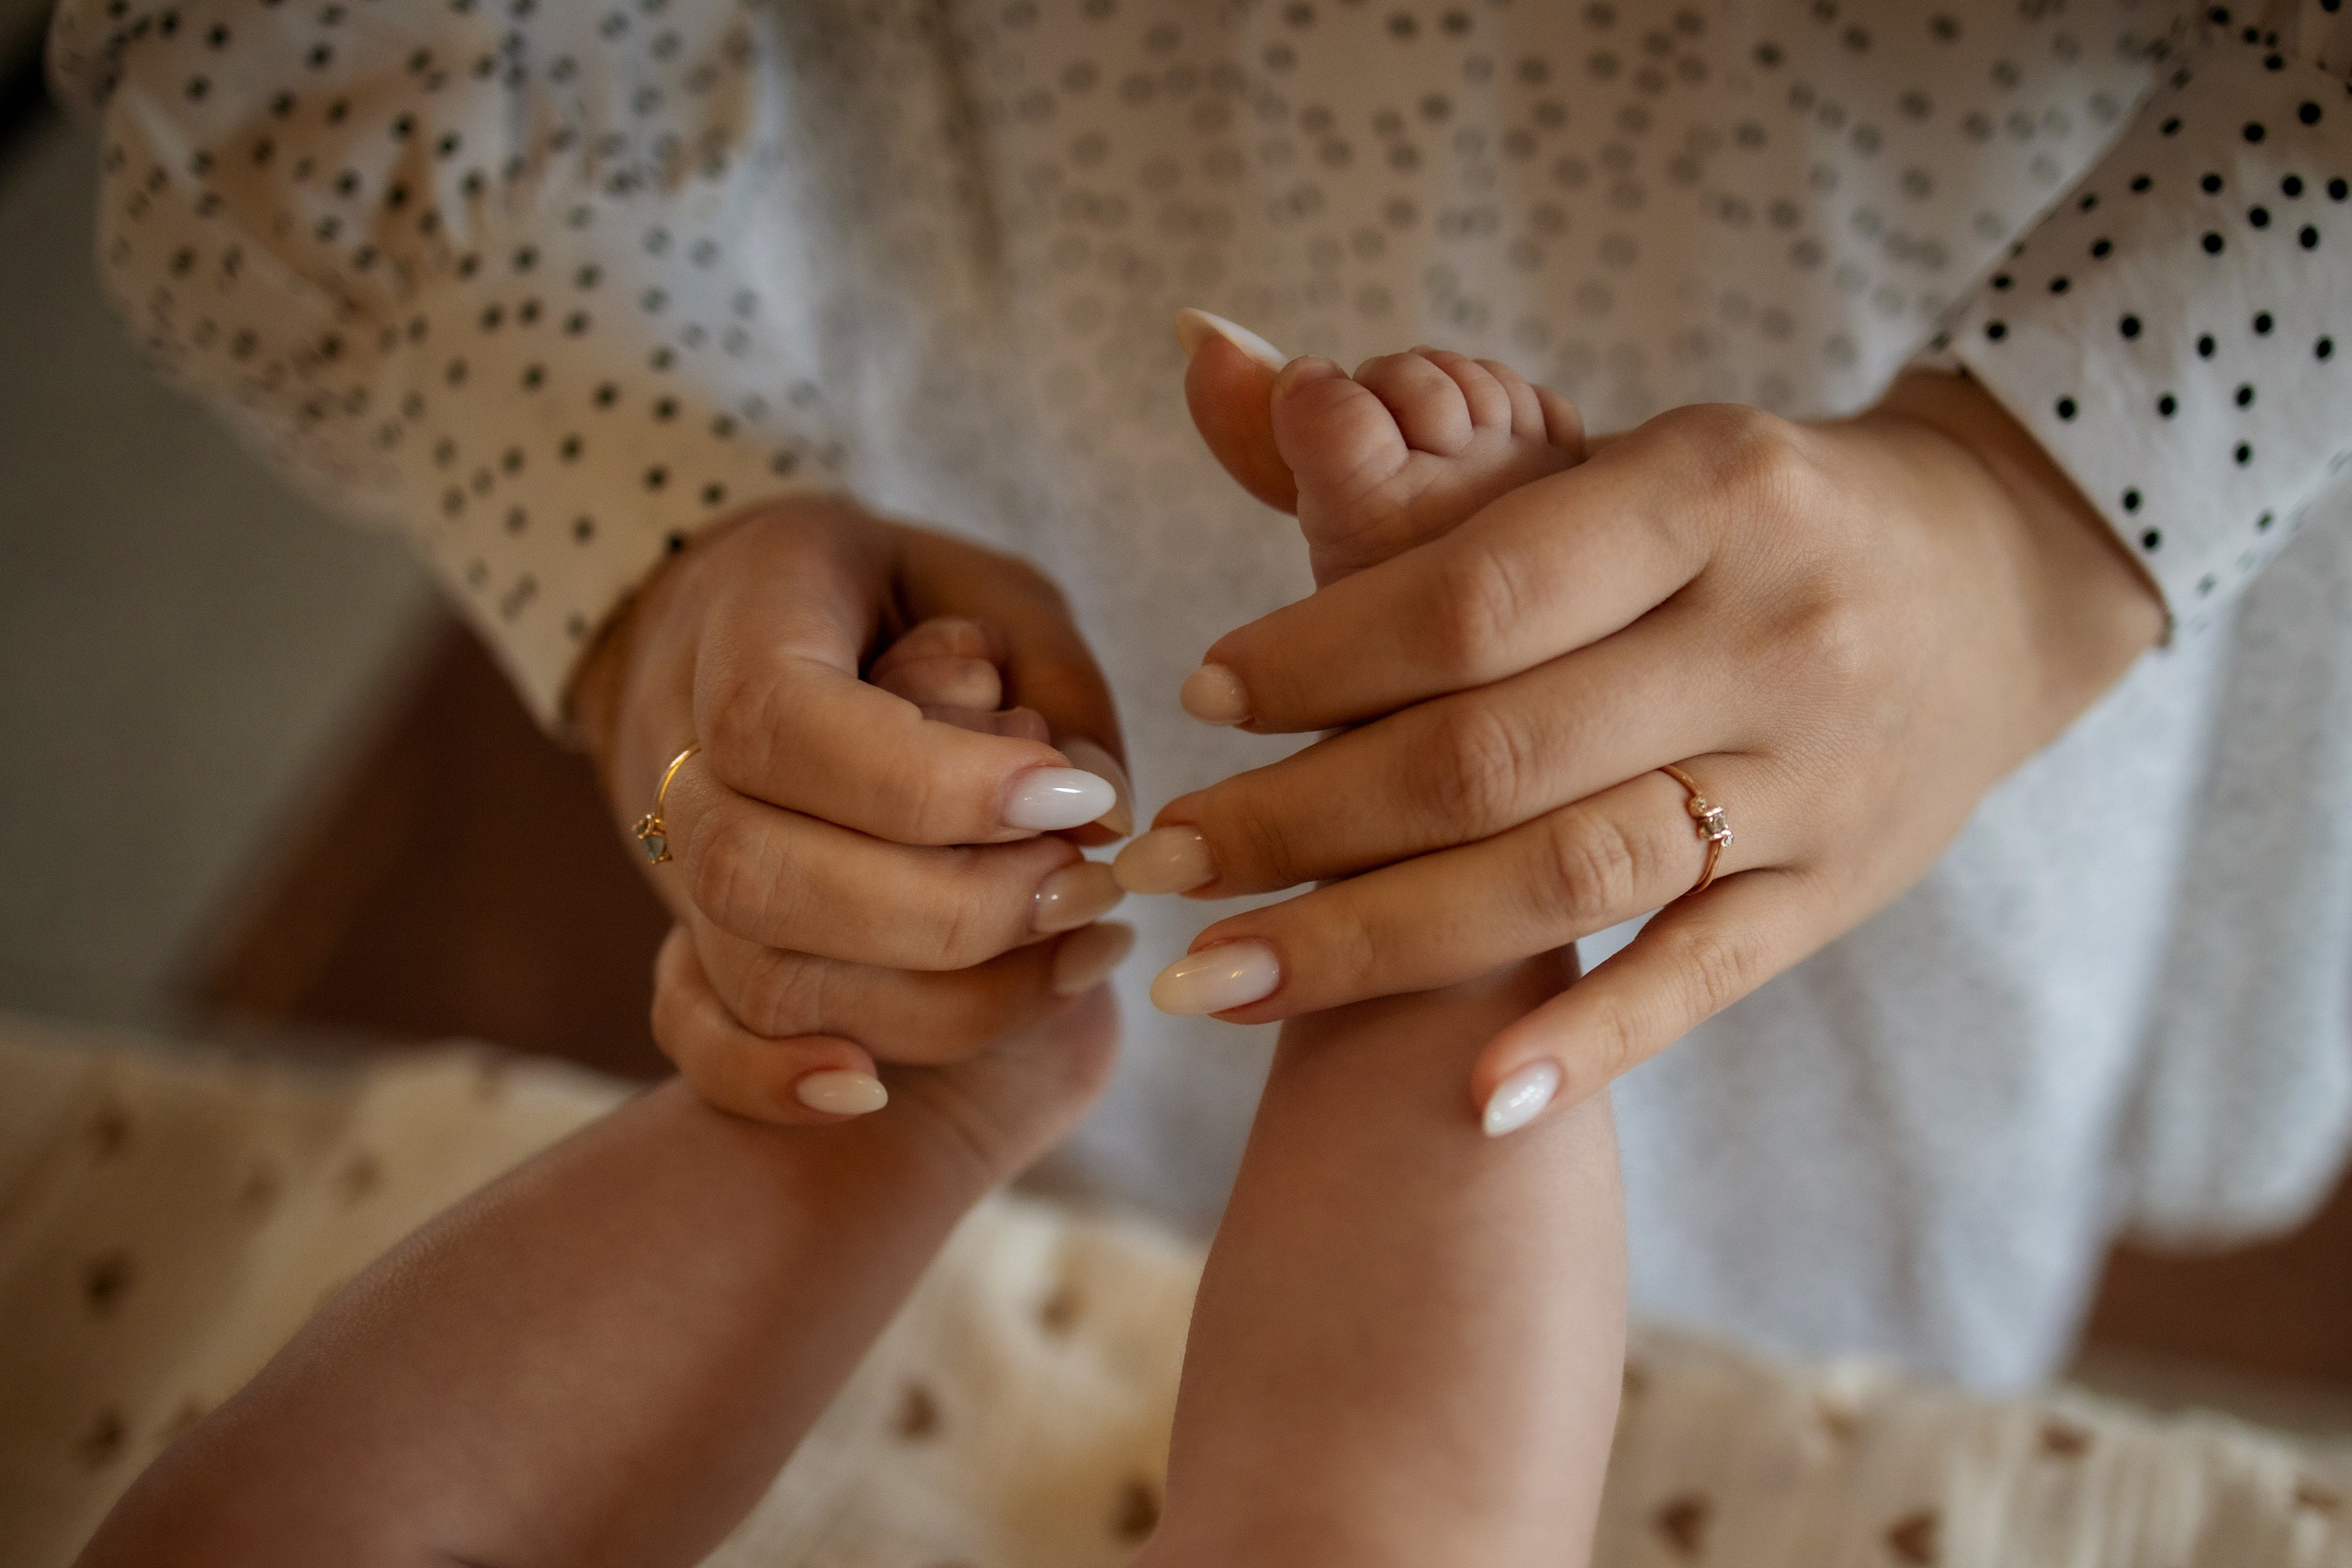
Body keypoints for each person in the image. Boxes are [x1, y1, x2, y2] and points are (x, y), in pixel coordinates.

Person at [49, 0, 2352, 1388]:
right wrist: (660, 570)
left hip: (1973, 372)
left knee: (1106, 946)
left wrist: (2034, 506)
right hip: (1099, 339)